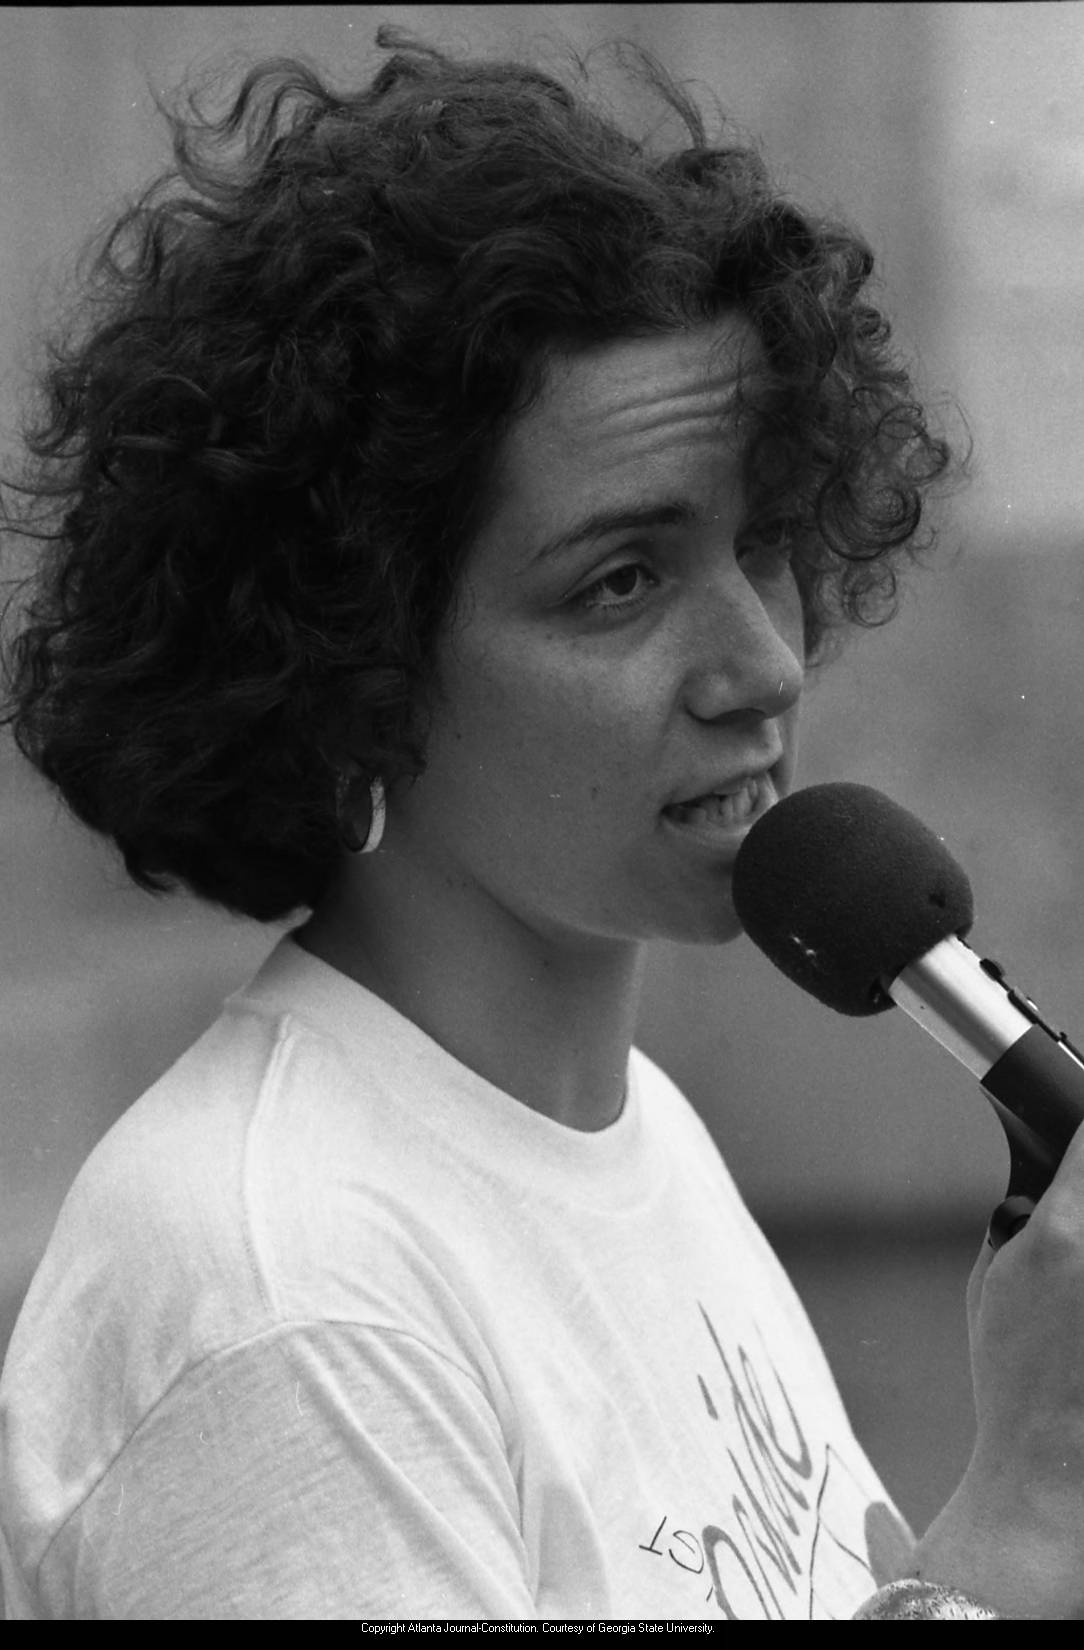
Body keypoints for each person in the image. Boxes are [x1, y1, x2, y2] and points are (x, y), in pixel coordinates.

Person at [0, 28, 1081, 1622]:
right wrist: (1034, 1507)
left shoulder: (624, 1133)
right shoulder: (290, 1301)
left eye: (761, 540)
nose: (763, 659)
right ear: (355, 659)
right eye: (622, 581)